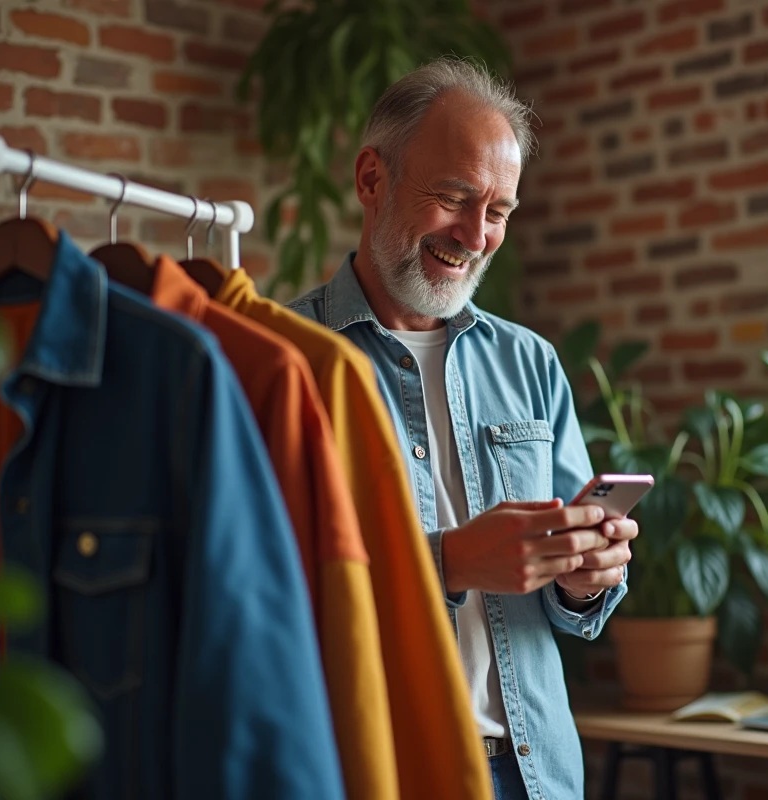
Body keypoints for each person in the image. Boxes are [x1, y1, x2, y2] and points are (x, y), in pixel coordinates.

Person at [287, 58, 639, 800]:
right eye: (453, 198)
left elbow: (576, 607)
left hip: (538, 774)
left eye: (499, 211)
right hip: (384, 772)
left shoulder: (531, 361)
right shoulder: (286, 359)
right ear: (371, 179)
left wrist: (586, 578)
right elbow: (272, 588)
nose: (476, 236)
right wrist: (446, 563)